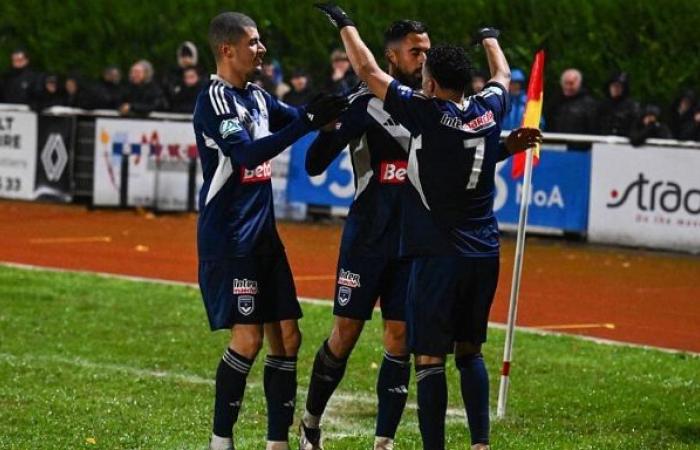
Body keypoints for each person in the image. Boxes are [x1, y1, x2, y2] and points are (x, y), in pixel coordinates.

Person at [314, 4, 541, 449]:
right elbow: (503, 76)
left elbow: (366, 68)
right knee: (471, 352)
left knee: (429, 358)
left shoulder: (426, 112)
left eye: (426, 63)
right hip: (484, 250)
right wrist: (490, 36)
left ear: (432, 83)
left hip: (437, 253)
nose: (420, 68)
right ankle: (480, 443)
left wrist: (344, 22)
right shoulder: (489, 110)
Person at [193, 11, 347, 450]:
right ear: (228, 49)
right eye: (254, 42)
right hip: (230, 238)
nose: (261, 49)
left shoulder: (257, 97)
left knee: (289, 338)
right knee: (248, 338)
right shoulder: (215, 101)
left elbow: (297, 115)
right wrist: (305, 122)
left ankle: (277, 443)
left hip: (263, 237)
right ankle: (220, 442)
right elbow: (245, 154)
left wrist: (335, 105)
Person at [298, 19, 430, 450]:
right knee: (346, 335)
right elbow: (315, 164)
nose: (423, 59)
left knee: (400, 338)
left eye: (427, 51)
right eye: (416, 51)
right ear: (391, 56)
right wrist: (324, 128)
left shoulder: (434, 102)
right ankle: (310, 424)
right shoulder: (364, 103)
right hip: (366, 240)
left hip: (411, 242)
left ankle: (383, 442)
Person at [545, 68, 598, 134]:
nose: (568, 87)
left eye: (571, 83)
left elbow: (593, 128)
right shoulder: (554, 101)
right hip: (555, 142)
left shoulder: (589, 104)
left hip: (579, 142)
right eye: (565, 83)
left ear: (579, 84)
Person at [597, 72, 639, 136]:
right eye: (613, 86)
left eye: (619, 86)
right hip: (603, 141)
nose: (615, 89)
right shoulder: (602, 105)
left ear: (624, 88)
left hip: (624, 142)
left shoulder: (632, 106)